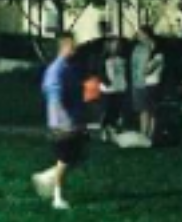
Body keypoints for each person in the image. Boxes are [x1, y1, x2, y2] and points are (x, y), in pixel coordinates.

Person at [32, 32, 86, 211]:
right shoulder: (57, 70)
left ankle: (47, 177)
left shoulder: (67, 68)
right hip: (63, 124)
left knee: (76, 157)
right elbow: (54, 96)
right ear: (63, 47)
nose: (75, 49)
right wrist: (65, 123)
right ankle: (57, 197)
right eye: (72, 46)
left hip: (71, 121)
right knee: (65, 159)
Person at [129, 26, 163, 144]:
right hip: (141, 84)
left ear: (147, 35)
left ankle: (151, 136)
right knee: (143, 110)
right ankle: (143, 135)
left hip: (152, 84)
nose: (138, 36)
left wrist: (148, 56)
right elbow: (135, 66)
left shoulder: (157, 52)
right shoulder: (138, 48)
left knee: (152, 111)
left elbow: (147, 70)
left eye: (140, 34)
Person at [98, 36, 129, 141]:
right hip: (107, 90)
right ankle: (104, 131)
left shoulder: (122, 58)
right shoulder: (103, 58)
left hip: (120, 87)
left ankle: (113, 130)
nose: (116, 46)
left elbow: (125, 72)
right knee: (107, 110)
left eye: (117, 45)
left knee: (116, 110)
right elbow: (100, 72)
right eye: (114, 44)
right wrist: (106, 82)